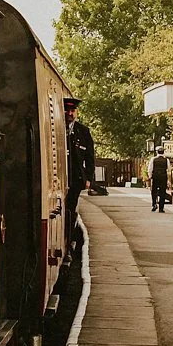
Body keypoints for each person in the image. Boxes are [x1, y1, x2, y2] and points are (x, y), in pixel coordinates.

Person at [64, 97, 97, 251]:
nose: (70, 113)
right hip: (60, 177)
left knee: (71, 209)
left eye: (72, 111)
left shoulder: (83, 132)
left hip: (75, 179)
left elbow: (90, 158)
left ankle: (69, 239)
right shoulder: (56, 129)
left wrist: (89, 178)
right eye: (67, 110)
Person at [149, 148, 171, 213]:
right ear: (163, 152)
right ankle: (161, 208)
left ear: (157, 152)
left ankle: (154, 204)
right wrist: (168, 179)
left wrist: (150, 176)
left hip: (155, 177)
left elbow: (150, 168)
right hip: (163, 177)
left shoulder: (153, 159)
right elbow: (169, 169)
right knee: (162, 192)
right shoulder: (166, 160)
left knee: (154, 191)